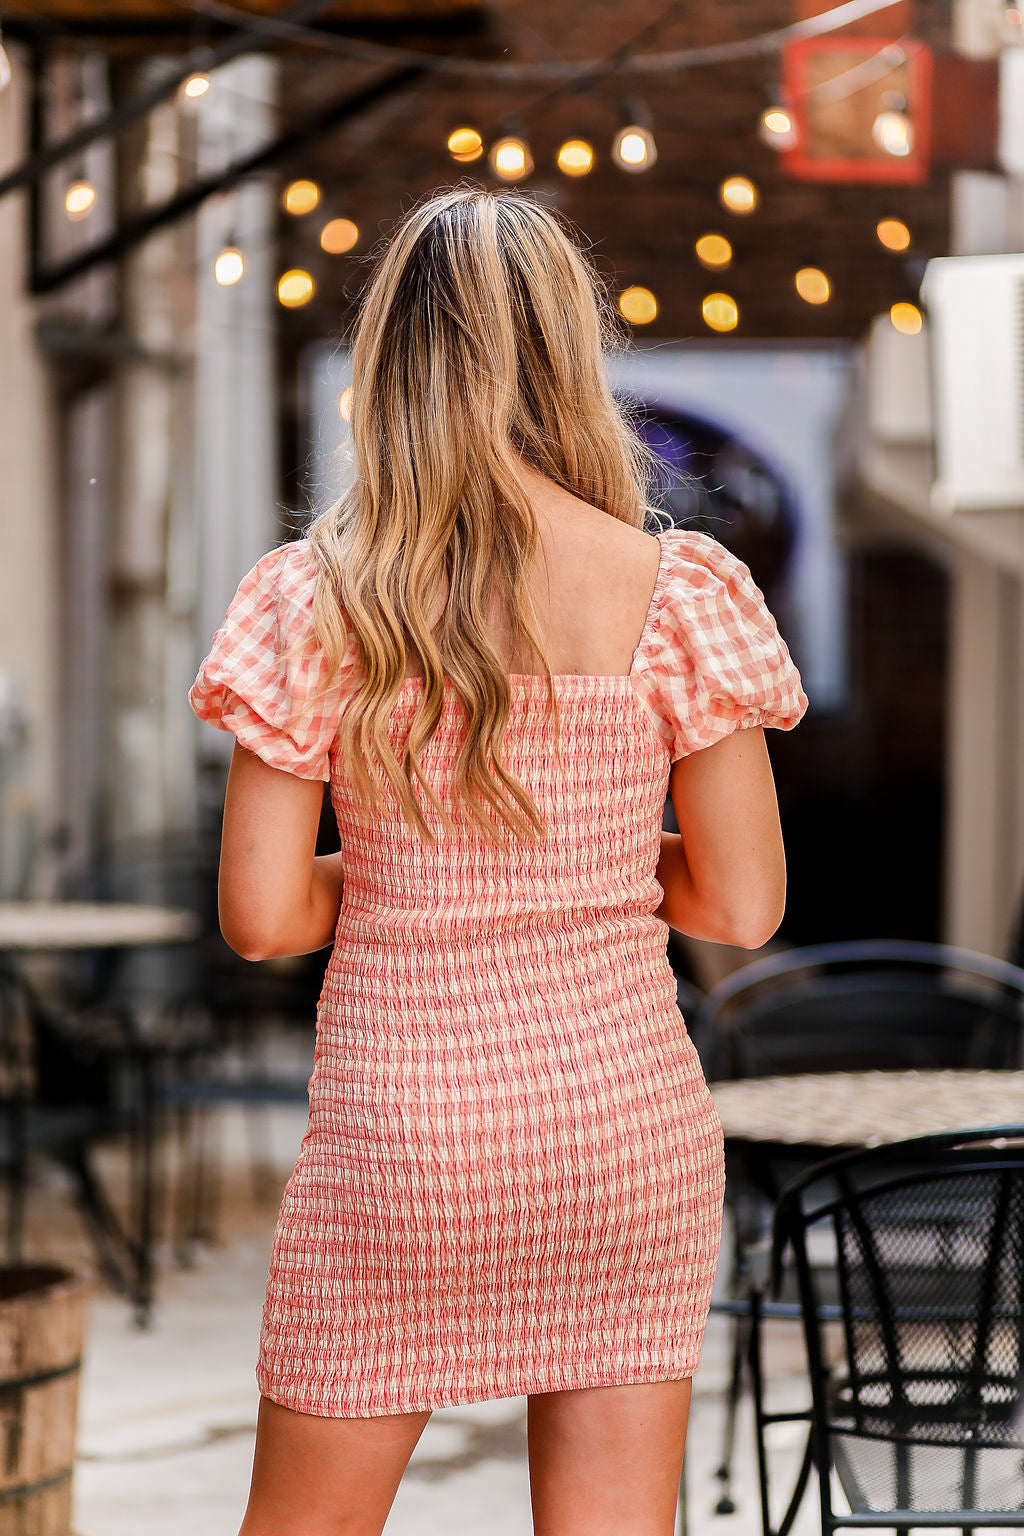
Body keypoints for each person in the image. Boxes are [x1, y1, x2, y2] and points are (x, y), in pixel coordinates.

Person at [189, 186, 807, 1536]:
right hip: (624, 1133)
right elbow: (742, 905)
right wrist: (567, 868)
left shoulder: (315, 598)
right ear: (566, 355)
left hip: (405, 1137)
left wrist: (418, 873)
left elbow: (261, 917)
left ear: (390, 364)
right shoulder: (679, 590)